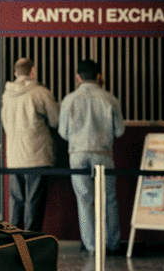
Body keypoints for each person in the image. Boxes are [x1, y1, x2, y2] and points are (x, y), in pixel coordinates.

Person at [58, 59, 125, 255]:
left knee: (84, 199)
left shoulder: (69, 100)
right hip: (103, 153)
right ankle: (112, 243)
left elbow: (63, 132)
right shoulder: (110, 99)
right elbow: (119, 130)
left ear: (78, 77)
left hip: (77, 154)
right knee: (110, 199)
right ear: (98, 76)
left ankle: (92, 246)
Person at [0, 57, 59, 231]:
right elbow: (55, 120)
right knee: (34, 201)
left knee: (16, 201)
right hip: (37, 156)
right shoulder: (40, 92)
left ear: (15, 73)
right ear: (32, 71)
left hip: (14, 158)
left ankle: (15, 241)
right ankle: (31, 242)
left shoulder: (6, 95)